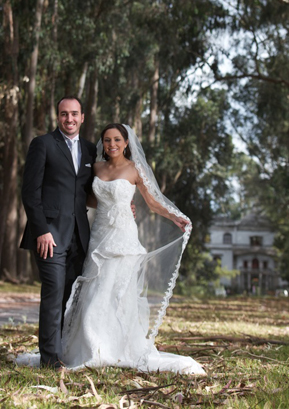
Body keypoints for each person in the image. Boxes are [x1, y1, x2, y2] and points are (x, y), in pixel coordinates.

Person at [60, 123, 206, 375]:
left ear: (126, 143)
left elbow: (153, 203)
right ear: (102, 144)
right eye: (107, 140)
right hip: (99, 235)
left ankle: (117, 347)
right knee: (94, 289)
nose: (112, 144)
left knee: (119, 291)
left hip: (124, 237)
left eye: (117, 139)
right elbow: (89, 199)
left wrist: (175, 217)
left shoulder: (134, 169)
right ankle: (91, 347)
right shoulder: (95, 168)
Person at [20, 96, 97, 369]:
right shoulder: (42, 145)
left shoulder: (90, 150)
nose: (69, 119)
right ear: (58, 116)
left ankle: (61, 348)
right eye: (64, 114)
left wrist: (124, 204)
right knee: (53, 293)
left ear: (82, 117)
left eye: (74, 114)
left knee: (68, 297)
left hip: (79, 236)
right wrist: (41, 230)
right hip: (50, 236)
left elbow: (90, 192)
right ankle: (50, 360)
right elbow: (30, 193)